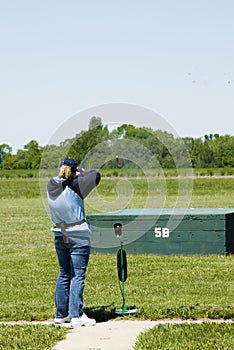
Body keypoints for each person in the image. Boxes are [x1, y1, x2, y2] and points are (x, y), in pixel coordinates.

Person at [47, 157, 101, 326]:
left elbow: (65, 179)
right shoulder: (76, 185)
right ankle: (76, 314)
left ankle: (61, 314)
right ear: (74, 171)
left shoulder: (52, 185)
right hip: (78, 233)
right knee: (78, 275)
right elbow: (96, 175)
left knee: (64, 274)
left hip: (59, 233)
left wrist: (75, 175)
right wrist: (80, 174)